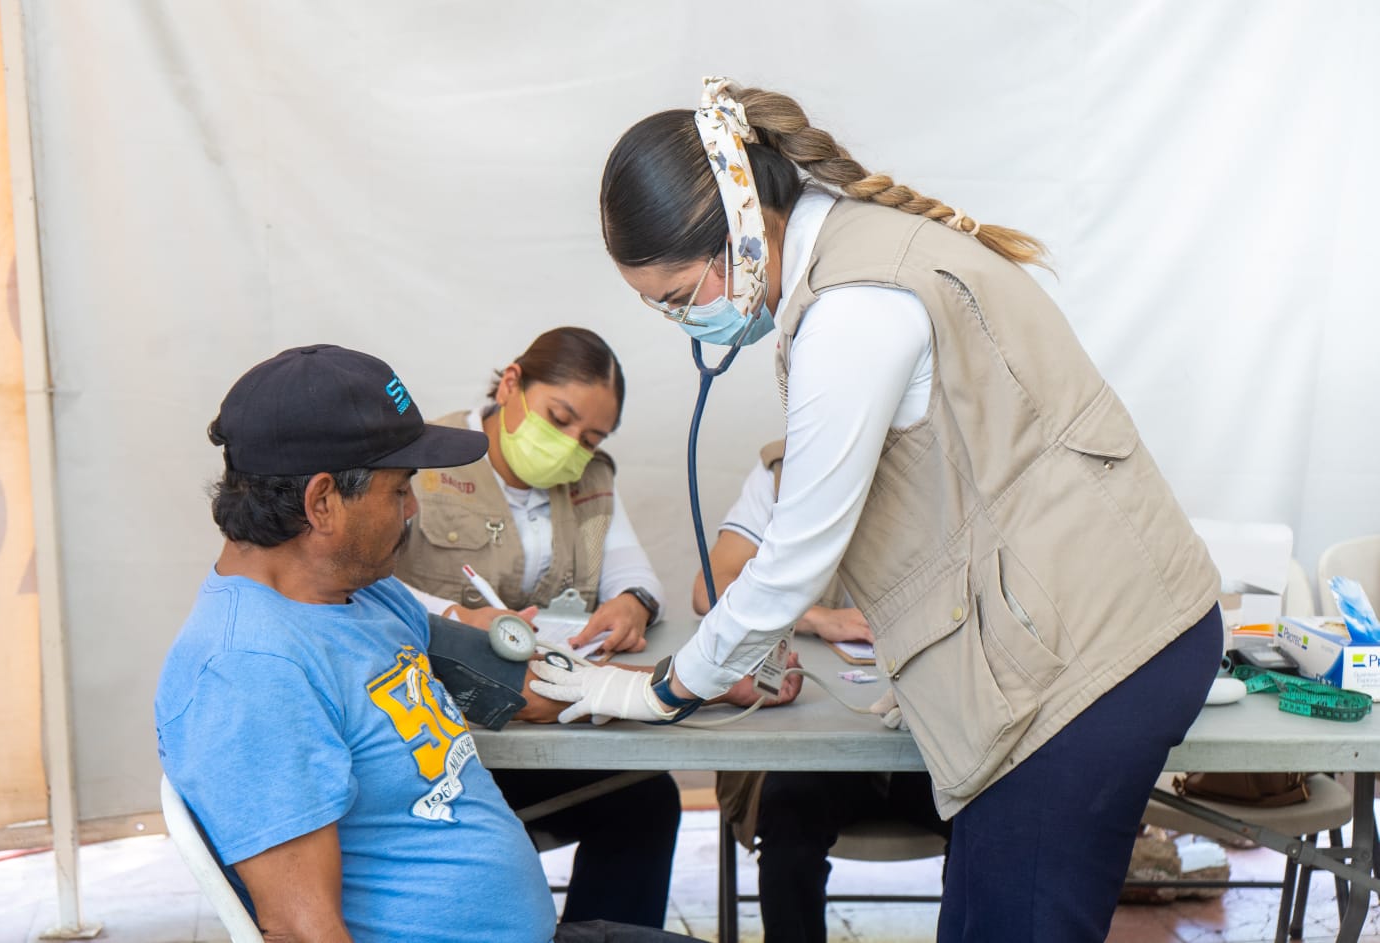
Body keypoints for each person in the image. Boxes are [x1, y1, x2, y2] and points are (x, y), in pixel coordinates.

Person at [531, 78, 1224, 943]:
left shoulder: (854, 307)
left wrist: (661, 691)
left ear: (742, 232)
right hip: (1073, 654)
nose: (679, 320)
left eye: (676, 296)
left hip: (1091, 666)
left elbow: (793, 559)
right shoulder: (858, 258)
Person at [154, 343, 697, 943]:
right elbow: (302, 931)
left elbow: (526, 685)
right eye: (399, 490)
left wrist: (698, 680)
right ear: (323, 502)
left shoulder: (365, 595)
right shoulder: (248, 672)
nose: (413, 508)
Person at [391, 326, 681, 929]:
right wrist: (458, 617)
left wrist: (632, 604)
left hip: (548, 723)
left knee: (647, 798)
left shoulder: (591, 479)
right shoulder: (422, 460)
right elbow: (365, 585)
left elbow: (634, 573)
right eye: (560, 418)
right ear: (511, 384)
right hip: (444, 739)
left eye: (590, 438)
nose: (571, 447)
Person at [700, 440, 950, 943]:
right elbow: (711, 585)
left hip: (935, 741)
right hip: (820, 747)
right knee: (789, 806)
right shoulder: (786, 470)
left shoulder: (958, 463)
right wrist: (818, 619)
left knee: (993, 815)